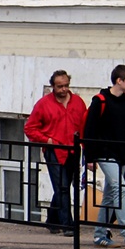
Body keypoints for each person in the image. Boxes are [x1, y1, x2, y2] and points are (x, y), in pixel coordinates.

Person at [83, 64, 125, 247]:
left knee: (109, 195)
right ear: (119, 81)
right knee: (121, 188)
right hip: (105, 153)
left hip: (122, 154)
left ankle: (100, 235)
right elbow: (89, 131)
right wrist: (90, 158)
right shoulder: (100, 101)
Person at [24, 69, 86, 235]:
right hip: (54, 150)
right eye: (60, 86)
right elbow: (29, 128)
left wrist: (85, 148)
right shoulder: (44, 104)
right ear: (53, 86)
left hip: (73, 150)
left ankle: (52, 220)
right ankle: (68, 225)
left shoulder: (78, 102)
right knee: (62, 188)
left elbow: (83, 126)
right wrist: (47, 140)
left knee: (66, 186)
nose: (63, 89)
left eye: (66, 85)